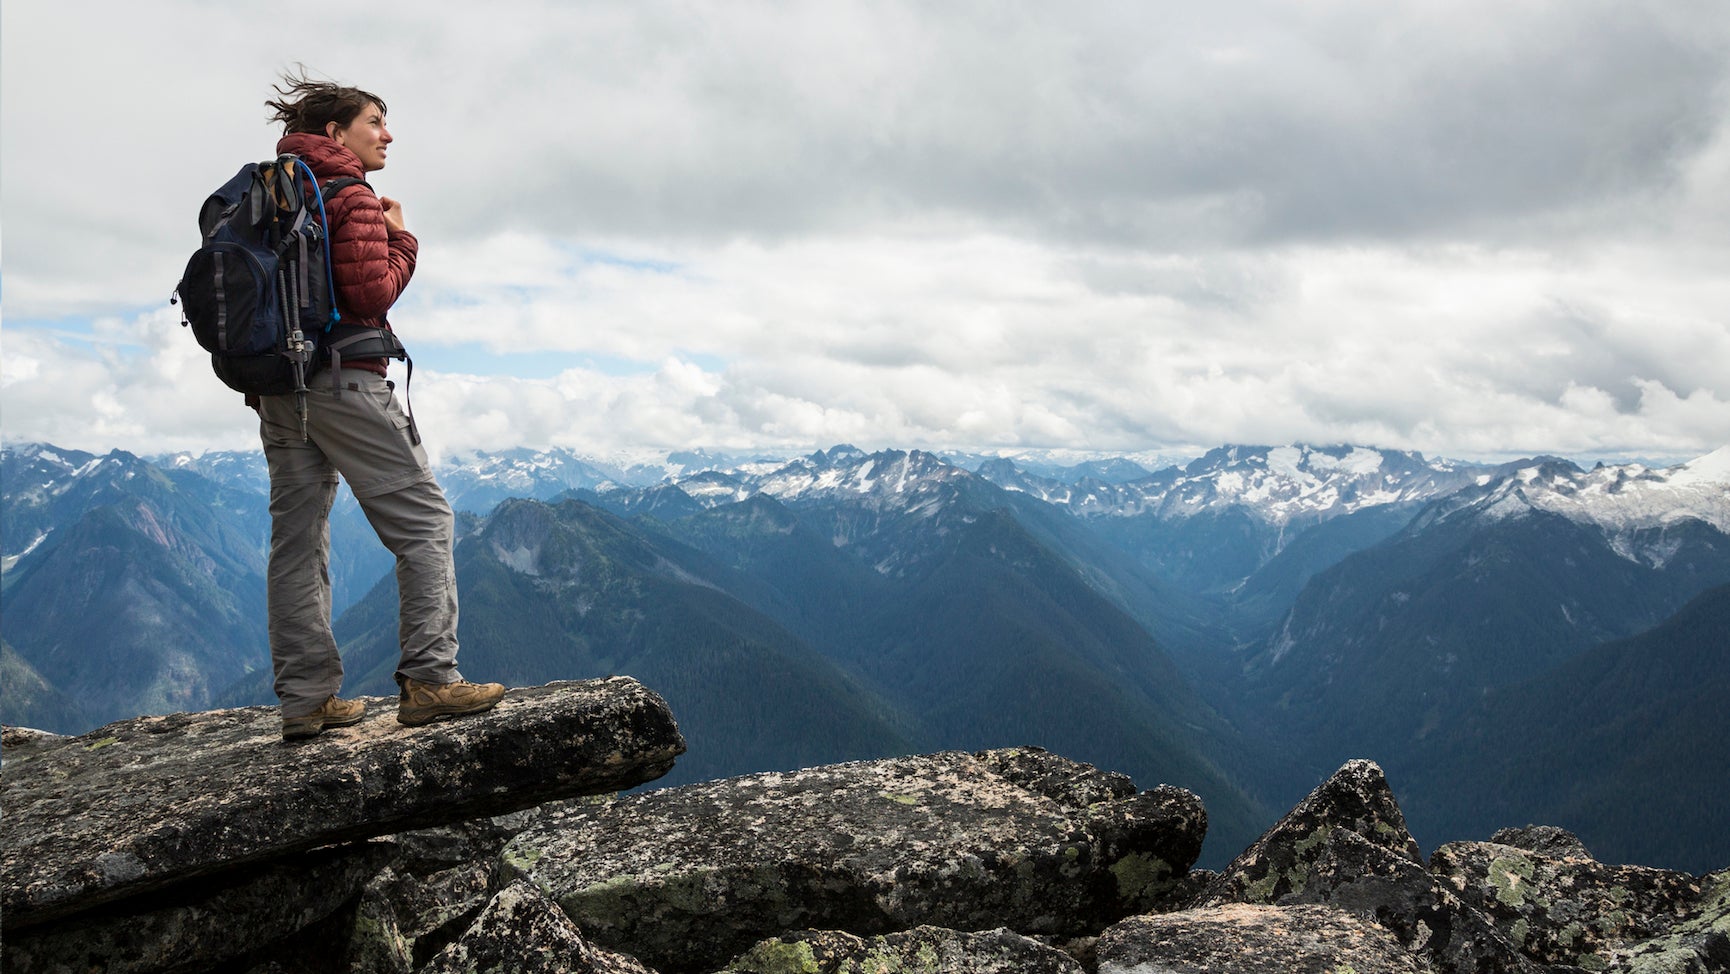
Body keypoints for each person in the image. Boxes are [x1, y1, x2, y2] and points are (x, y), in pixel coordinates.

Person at [258, 69, 504, 740]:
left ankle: (306, 701)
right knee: (426, 522)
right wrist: (402, 238)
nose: (387, 134)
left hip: (279, 389)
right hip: (345, 383)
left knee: (297, 543)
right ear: (335, 132)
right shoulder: (350, 195)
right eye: (374, 122)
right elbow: (369, 298)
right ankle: (430, 680)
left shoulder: (272, 191)